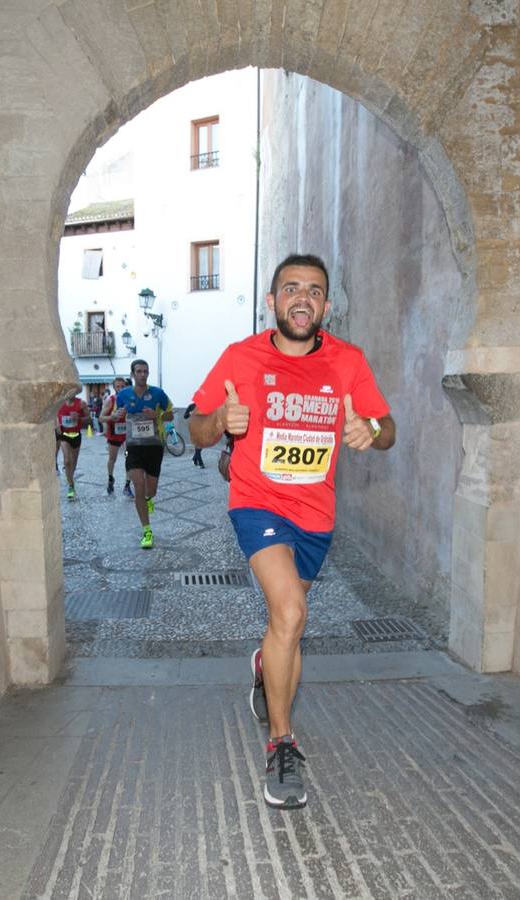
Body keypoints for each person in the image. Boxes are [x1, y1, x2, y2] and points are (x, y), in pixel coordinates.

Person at [190, 253, 395, 810]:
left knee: (287, 625)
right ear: (272, 300)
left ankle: (265, 666)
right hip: (257, 504)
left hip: (314, 518)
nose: (301, 298)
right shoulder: (241, 357)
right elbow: (195, 425)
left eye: (313, 290)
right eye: (290, 288)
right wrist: (219, 423)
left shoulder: (348, 363)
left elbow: (387, 428)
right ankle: (281, 744)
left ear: (325, 305)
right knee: (292, 614)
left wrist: (368, 429)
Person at [115, 359, 173, 549]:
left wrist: (158, 416)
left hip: (154, 446)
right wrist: (118, 414)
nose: (142, 374)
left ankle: (149, 499)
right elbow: (116, 414)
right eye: (139, 371)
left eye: (145, 371)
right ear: (132, 374)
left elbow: (171, 414)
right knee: (138, 486)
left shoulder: (157, 393)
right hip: (133, 446)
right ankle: (147, 530)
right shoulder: (123, 394)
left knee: (151, 490)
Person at [54, 391, 90, 500]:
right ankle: (71, 486)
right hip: (64, 435)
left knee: (73, 462)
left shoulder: (81, 404)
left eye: (73, 392)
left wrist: (79, 418)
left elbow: (89, 419)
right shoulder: (59, 403)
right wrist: (57, 426)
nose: (70, 394)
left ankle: (70, 478)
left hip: (76, 435)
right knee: (67, 460)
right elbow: (54, 416)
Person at [100, 377, 132, 496]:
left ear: (126, 386)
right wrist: (111, 417)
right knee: (112, 459)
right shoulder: (110, 400)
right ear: (114, 388)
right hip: (114, 435)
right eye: (118, 386)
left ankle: (127, 485)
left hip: (127, 436)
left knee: (128, 457)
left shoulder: (130, 400)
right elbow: (101, 418)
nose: (120, 389)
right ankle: (110, 479)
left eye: (122, 386)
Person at [185, 403, 207, 468]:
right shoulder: (191, 406)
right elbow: (185, 416)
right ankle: (201, 463)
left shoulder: (203, 406)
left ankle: (195, 458)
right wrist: (190, 413)